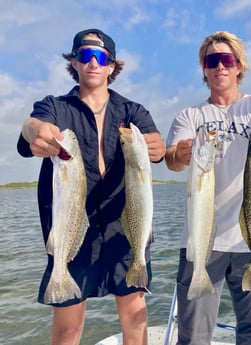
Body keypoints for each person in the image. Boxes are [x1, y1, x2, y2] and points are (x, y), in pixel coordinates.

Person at [17, 28, 166, 345]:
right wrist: (35, 130)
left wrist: (156, 146)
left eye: (101, 57)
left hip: (125, 224)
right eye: (85, 55)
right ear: (74, 62)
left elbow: (155, 144)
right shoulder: (55, 107)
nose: (93, 63)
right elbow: (31, 126)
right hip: (71, 224)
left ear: (112, 65)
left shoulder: (132, 111)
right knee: (68, 327)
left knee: (135, 317)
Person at [164, 31, 251, 345]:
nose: (220, 66)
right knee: (193, 335)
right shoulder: (190, 115)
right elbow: (171, 159)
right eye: (212, 61)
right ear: (204, 69)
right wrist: (180, 154)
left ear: (239, 66)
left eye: (227, 59)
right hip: (200, 240)